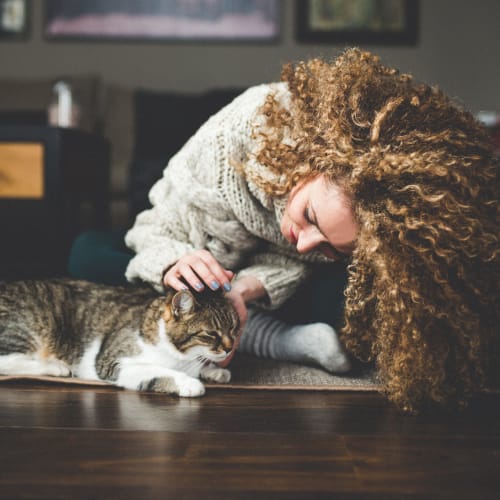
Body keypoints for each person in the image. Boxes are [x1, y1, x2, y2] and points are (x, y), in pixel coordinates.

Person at [70, 48, 499, 413]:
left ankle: (264, 325)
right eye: (311, 217)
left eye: (334, 246)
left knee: (345, 298)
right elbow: (152, 230)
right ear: (315, 159)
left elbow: (298, 260)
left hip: (249, 290)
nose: (308, 242)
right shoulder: (235, 137)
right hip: (193, 272)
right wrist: (176, 262)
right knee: (88, 255)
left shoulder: (347, 232)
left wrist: (244, 292)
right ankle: (283, 339)